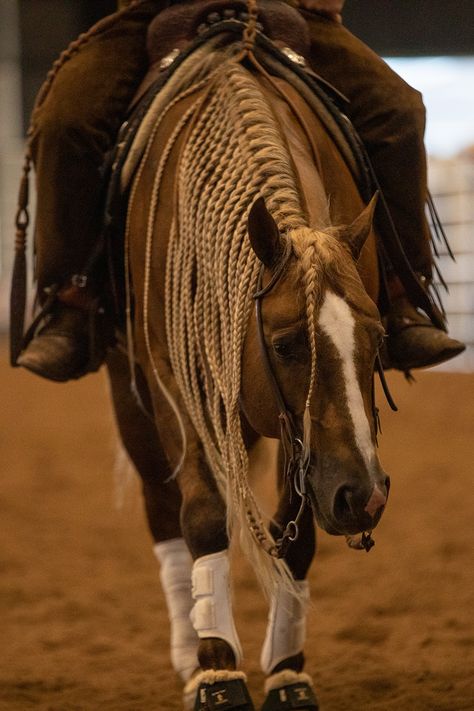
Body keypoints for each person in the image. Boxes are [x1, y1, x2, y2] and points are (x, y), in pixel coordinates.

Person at [14, 0, 465, 381]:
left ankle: (402, 295)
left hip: (288, 10)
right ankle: (72, 299)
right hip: (161, 10)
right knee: (64, 122)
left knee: (400, 113)